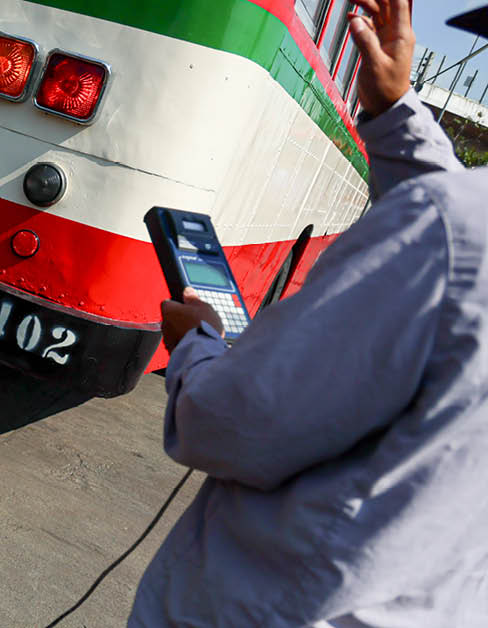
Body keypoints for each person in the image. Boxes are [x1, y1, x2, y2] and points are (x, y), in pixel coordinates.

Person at [129, 1, 488, 625]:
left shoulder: (449, 225)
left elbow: (234, 423)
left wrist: (196, 348)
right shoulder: (455, 224)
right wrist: (398, 114)